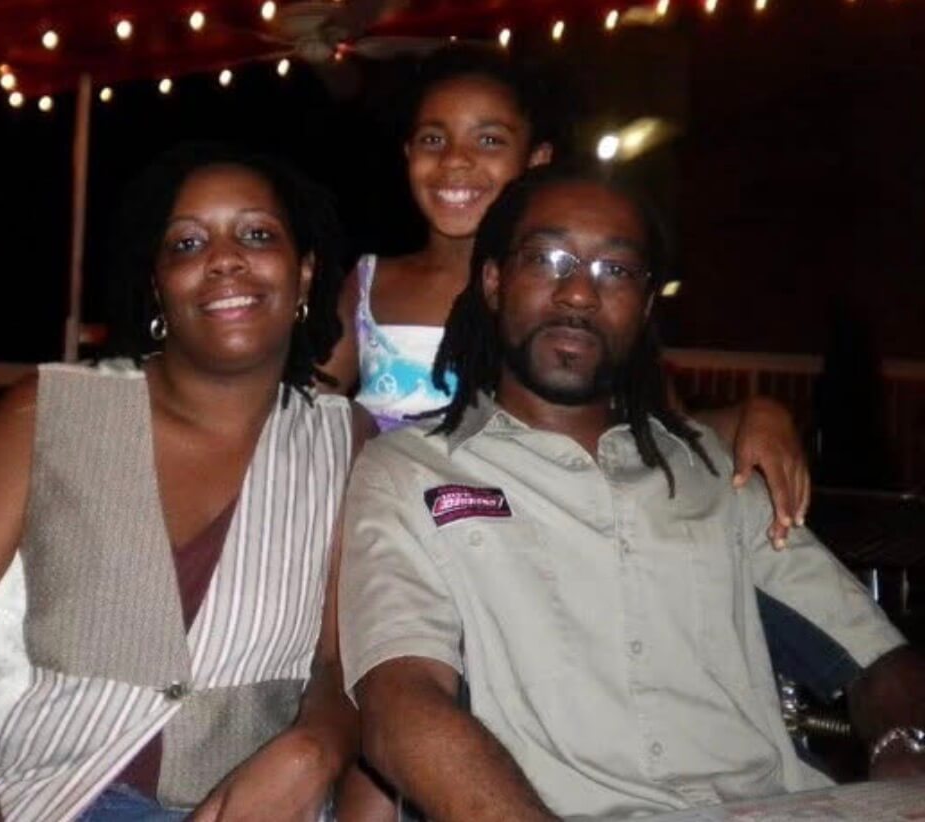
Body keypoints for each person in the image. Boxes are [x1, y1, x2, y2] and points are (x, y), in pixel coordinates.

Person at [338, 164, 925, 821]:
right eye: (547, 259)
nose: (578, 294)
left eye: (614, 270)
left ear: (644, 308)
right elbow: (402, 704)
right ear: (494, 282)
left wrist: (905, 744)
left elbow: (873, 654)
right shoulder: (412, 472)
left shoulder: (712, 471)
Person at [0, 144, 377, 821]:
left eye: (258, 235)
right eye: (187, 243)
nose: (225, 258)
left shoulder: (344, 441)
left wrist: (316, 748)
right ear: (157, 285)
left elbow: (340, 663)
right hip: (19, 798)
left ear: (304, 275)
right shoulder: (46, 414)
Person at [322, 46, 809, 548]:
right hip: (384, 541)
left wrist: (759, 415)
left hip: (523, 549)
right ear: (408, 154)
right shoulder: (373, 283)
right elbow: (302, 414)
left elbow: (668, 427)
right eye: (433, 138)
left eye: (489, 139)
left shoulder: (565, 306)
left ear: (537, 160)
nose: (456, 159)